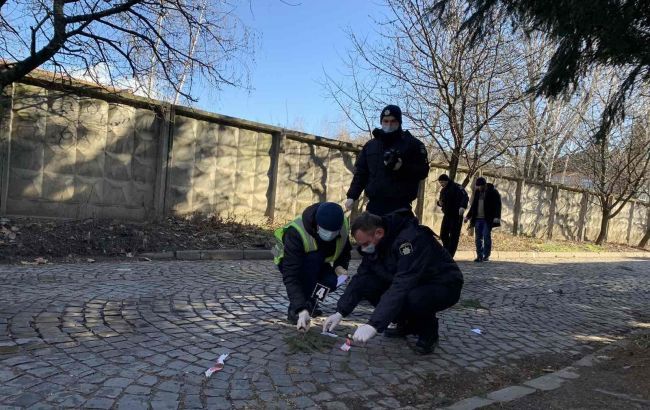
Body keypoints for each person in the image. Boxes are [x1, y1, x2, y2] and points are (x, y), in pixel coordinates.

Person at [322, 211, 463, 355]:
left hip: (443, 283)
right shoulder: (376, 245)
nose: (364, 248)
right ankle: (406, 324)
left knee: (415, 298)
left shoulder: (410, 241)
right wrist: (340, 311)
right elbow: (361, 277)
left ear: (379, 233)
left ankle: (428, 333)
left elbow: (402, 285)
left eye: (365, 244)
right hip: (413, 282)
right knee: (369, 284)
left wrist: (373, 325)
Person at [273, 202, 351, 332]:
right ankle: (297, 309)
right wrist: (300, 308)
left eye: (334, 232)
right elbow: (291, 275)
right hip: (289, 261)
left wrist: (340, 267)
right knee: (312, 264)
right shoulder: (296, 231)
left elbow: (345, 251)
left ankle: (311, 303)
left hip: (319, 262)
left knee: (332, 281)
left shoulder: (341, 226)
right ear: (317, 224)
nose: (330, 235)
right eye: (326, 231)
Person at [344, 105, 430, 216]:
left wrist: (402, 167)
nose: (389, 124)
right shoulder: (371, 146)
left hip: (400, 208)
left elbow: (423, 171)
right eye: (386, 121)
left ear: (399, 122)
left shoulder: (412, 144)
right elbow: (361, 174)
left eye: (393, 121)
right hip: (374, 208)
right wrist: (352, 196)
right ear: (381, 122)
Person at [464, 177, 502, 262]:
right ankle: (479, 256)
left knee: (486, 236)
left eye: (480, 186)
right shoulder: (477, 192)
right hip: (477, 219)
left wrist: (497, 217)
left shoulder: (493, 192)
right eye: (477, 186)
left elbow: (498, 206)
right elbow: (474, 205)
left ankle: (486, 255)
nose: (478, 188)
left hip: (487, 219)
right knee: (478, 238)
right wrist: (468, 216)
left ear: (484, 185)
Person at [436, 174, 469, 258]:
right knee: (443, 234)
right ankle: (446, 250)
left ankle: (450, 254)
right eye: (440, 182)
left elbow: (465, 197)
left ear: (447, 180)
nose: (441, 184)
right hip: (447, 215)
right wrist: (439, 203)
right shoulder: (443, 190)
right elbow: (441, 200)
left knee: (454, 235)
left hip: (457, 215)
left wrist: (463, 207)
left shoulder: (457, 187)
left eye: (442, 182)